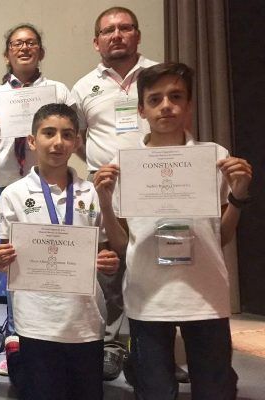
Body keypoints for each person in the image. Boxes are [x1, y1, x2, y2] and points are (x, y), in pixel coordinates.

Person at [94, 62, 251, 399]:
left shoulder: (215, 158)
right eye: (155, 99)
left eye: (176, 97)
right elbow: (121, 245)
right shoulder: (124, 163)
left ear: (189, 105)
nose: (166, 106)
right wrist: (105, 201)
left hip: (205, 296)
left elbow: (222, 237)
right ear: (141, 110)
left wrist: (238, 196)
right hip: (148, 298)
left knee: (214, 390)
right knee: (155, 391)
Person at [0, 103, 119, 399]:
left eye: (67, 134)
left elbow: (105, 250)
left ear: (77, 142)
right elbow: (6, 256)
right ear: (32, 141)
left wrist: (107, 261)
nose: (58, 142)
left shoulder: (91, 193)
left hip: (85, 320)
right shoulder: (14, 194)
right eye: (49, 133)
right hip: (36, 321)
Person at [0, 22, 75, 376]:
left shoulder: (58, 90)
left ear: (40, 51)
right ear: (7, 53)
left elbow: (73, 132)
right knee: (16, 265)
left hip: (54, 183)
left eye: (31, 43)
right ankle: (16, 336)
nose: (24, 48)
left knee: (57, 259)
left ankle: (61, 333)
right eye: (17, 43)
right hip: (10, 185)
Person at [70, 7, 159, 380]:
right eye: (108, 31)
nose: (117, 35)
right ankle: (110, 345)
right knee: (108, 267)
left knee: (154, 263)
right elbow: (75, 138)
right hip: (104, 186)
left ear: (137, 34)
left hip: (156, 185)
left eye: (125, 28)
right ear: (97, 42)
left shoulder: (158, 75)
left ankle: (151, 350)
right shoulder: (82, 87)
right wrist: (97, 166)